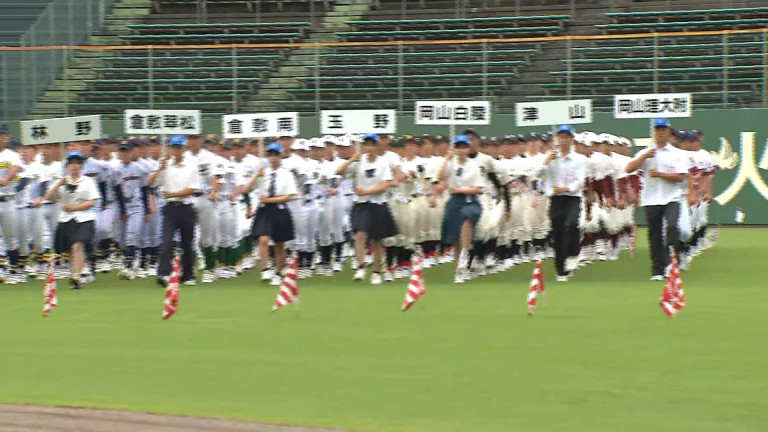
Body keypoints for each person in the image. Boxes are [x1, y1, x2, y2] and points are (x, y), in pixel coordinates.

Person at [624, 118, 688, 280]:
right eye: (657, 130)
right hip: (651, 199)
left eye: (663, 130)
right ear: (653, 132)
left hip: (671, 197)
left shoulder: (677, 154)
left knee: (672, 226)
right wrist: (644, 157)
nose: (660, 133)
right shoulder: (646, 153)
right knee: (655, 234)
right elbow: (628, 168)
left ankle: (672, 260)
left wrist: (660, 174)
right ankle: (657, 269)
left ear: (668, 132)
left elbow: (680, 177)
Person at [335, 134, 398, 285]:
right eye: (366, 144)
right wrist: (351, 159)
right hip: (361, 204)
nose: (369, 148)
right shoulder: (358, 161)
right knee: (359, 235)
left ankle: (376, 272)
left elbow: (384, 185)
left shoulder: (383, 163)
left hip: (377, 203)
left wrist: (366, 191)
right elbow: (338, 172)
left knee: (376, 240)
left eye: (372, 144)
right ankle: (360, 267)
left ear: (376, 146)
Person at [148, 135, 201, 287]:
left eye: (179, 147)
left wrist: (173, 194)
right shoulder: (165, 165)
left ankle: (188, 274)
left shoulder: (191, 166)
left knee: (187, 243)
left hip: (186, 207)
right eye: (174, 147)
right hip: (170, 209)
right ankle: (163, 273)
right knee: (167, 241)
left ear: (183, 149)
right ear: (170, 149)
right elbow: (150, 183)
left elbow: (193, 188)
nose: (176, 150)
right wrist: (160, 169)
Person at [241, 142, 297, 286]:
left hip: (279, 208)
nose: (272, 158)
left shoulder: (286, 174)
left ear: (280, 156)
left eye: (275, 155)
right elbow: (246, 189)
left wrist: (270, 199)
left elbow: (288, 196)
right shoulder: (262, 172)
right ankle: (265, 269)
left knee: (279, 244)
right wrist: (256, 176)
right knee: (263, 239)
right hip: (264, 209)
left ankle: (278, 272)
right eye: (270, 155)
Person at [43, 151, 100, 289]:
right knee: (69, 248)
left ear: (81, 165)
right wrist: (58, 184)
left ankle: (76, 276)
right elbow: (49, 197)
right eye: (71, 163)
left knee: (77, 245)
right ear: (67, 165)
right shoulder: (62, 181)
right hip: (66, 219)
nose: (74, 166)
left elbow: (92, 201)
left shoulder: (88, 181)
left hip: (84, 218)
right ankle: (75, 272)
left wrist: (74, 207)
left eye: (77, 163)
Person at [539, 125, 588, 282]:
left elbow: (580, 180)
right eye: (561, 137)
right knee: (558, 232)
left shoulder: (579, 159)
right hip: (556, 199)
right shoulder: (551, 157)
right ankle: (560, 269)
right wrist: (547, 161)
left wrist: (566, 188)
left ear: (572, 140)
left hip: (572, 197)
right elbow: (537, 174)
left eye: (566, 137)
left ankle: (573, 254)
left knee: (572, 224)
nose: (563, 140)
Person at [435, 135, 486, 284]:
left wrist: (460, 190)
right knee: (455, 237)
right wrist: (447, 158)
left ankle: (465, 254)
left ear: (468, 149)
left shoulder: (473, 166)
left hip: (469, 201)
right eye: (458, 147)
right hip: (454, 201)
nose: (461, 150)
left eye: (464, 147)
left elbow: (478, 188)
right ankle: (460, 270)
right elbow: (439, 176)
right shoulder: (451, 164)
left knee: (466, 219)